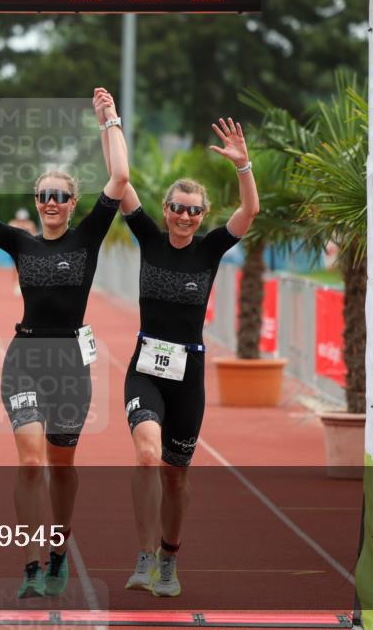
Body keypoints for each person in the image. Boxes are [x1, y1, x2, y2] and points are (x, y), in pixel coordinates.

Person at [0, 86, 129, 598]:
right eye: (43, 196)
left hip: (71, 365)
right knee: (30, 462)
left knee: (61, 465)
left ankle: (60, 545)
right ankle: (33, 562)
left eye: (60, 196)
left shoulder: (88, 236)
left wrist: (110, 120)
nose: (52, 204)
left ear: (73, 203)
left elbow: (119, 178)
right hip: (26, 357)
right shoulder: (20, 242)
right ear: (35, 203)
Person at [107, 117, 259, 597]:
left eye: (193, 210)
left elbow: (250, 211)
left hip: (188, 373)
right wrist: (110, 122)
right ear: (166, 209)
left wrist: (243, 165)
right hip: (146, 366)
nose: (183, 216)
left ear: (202, 214)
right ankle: (145, 556)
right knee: (148, 456)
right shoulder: (150, 238)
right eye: (176, 208)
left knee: (176, 476)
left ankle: (170, 559)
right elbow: (122, 181)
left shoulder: (211, 248)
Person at [7, 209, 38, 294]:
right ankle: (16, 285)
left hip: (27, 250)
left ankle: (27, 285)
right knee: (15, 268)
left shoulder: (30, 225)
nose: (22, 221)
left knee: (28, 268)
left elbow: (34, 236)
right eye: (20, 219)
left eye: (23, 219)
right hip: (15, 250)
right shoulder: (12, 224)